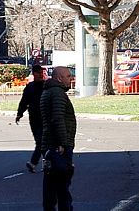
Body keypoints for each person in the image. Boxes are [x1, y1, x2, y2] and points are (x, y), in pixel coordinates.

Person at [38, 66, 77, 211]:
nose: (70, 78)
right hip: (58, 145)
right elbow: (58, 118)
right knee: (62, 183)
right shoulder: (57, 93)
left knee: (51, 182)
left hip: (49, 143)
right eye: (67, 76)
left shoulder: (49, 91)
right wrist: (62, 142)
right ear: (59, 78)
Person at [15, 64, 47, 170]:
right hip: (34, 117)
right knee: (39, 141)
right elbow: (24, 101)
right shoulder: (30, 87)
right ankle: (46, 161)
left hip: (46, 116)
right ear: (34, 74)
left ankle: (34, 163)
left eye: (41, 72)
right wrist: (19, 113)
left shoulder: (46, 85)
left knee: (41, 141)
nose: (40, 75)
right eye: (38, 73)